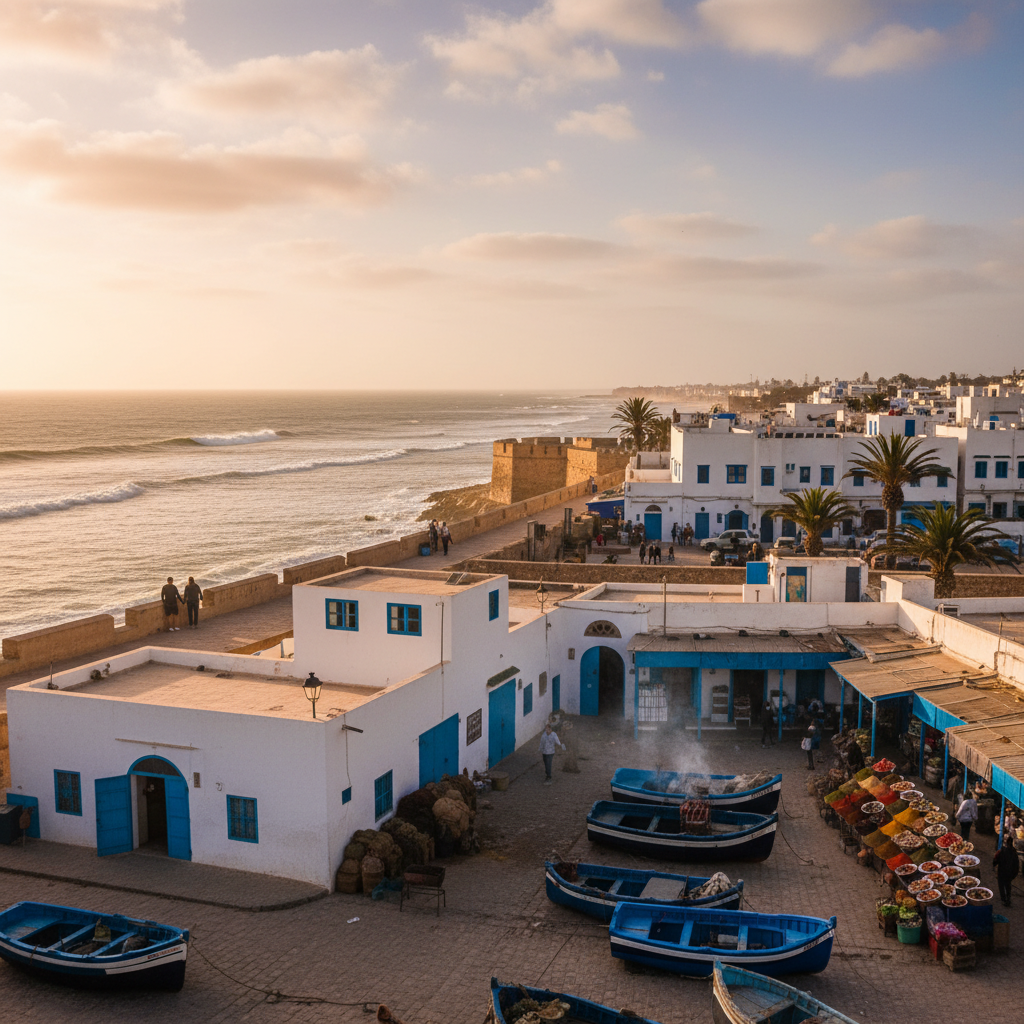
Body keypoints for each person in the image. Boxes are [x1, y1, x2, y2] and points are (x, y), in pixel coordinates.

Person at [993, 841, 1019, 907]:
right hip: (1009, 873)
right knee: (1008, 886)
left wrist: (994, 865)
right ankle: (1008, 899)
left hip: (1001, 872)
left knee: (1001, 885)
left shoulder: (1001, 851)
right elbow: (1016, 866)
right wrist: (1014, 875)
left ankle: (1003, 899)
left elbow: (996, 859)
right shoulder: (1014, 853)